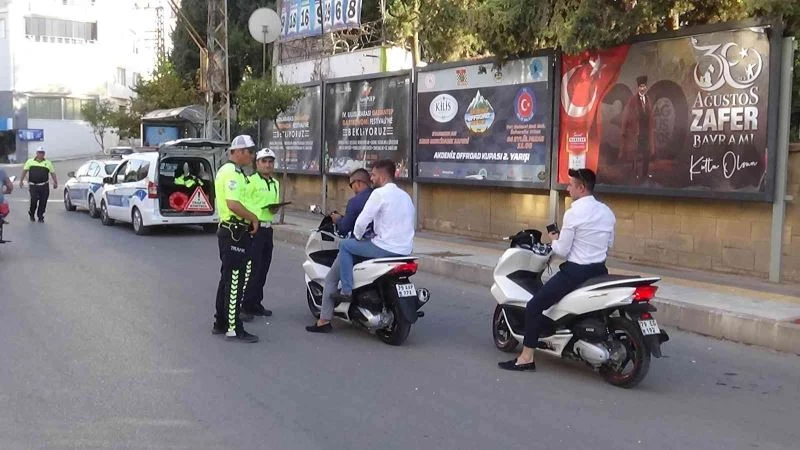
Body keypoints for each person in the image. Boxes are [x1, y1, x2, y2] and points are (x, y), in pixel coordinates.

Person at [499, 168, 615, 371]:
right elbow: (609, 243)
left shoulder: (574, 213)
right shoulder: (606, 212)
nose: (568, 188)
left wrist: (554, 240)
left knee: (535, 306)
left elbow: (562, 250)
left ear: (581, 188)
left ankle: (526, 357)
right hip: (599, 270)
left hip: (576, 272)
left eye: (571, 185)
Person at [331, 160, 415, 303]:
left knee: (345, 245)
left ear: (382, 177)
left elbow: (361, 222)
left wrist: (357, 237)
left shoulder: (379, 194)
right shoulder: (405, 196)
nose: (371, 179)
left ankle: (346, 291)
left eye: (374, 175)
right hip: (406, 250)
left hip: (385, 248)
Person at [306, 168, 373, 333]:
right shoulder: (380, 197)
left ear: (358, 183)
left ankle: (324, 321)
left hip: (361, 246)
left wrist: (337, 219)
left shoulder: (356, 202)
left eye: (352, 185)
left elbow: (344, 229)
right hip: (383, 246)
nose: (353, 189)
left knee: (330, 279)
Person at [212, 135, 261, 343]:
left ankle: (221, 321)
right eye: (249, 152)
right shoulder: (231, 172)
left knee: (227, 278)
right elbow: (233, 204)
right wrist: (253, 217)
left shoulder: (237, 172)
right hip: (233, 232)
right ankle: (234, 328)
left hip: (235, 231)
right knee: (235, 280)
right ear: (238, 152)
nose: (251, 156)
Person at [241, 148, 281, 320]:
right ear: (257, 163)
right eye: (264, 161)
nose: (267, 165)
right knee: (252, 268)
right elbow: (243, 203)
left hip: (268, 228)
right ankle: (245, 305)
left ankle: (256, 302)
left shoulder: (275, 183)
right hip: (254, 228)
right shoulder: (250, 181)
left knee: (264, 267)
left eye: (270, 161)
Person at [620, 75, 656, 183]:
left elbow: (651, 116)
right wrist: (627, 130)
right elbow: (627, 116)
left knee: (646, 153)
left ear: (646, 87)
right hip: (636, 132)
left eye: (644, 86)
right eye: (641, 86)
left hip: (646, 131)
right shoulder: (632, 100)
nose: (642, 88)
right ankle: (635, 173)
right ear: (638, 87)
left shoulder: (648, 99)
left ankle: (645, 173)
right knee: (635, 153)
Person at [19, 146, 57, 223]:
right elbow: (24, 171)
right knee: (34, 200)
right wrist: (21, 181)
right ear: (36, 153)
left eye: (42, 153)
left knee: (43, 202)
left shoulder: (48, 163)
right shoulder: (30, 161)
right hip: (33, 185)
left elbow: (52, 173)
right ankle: (32, 213)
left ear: (44, 154)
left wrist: (55, 182)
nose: (41, 154)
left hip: (44, 186)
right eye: (39, 152)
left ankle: (40, 216)